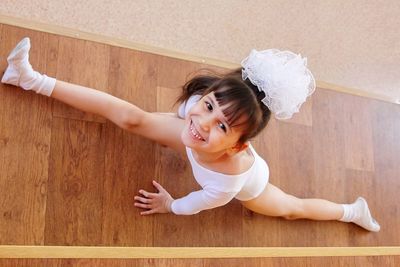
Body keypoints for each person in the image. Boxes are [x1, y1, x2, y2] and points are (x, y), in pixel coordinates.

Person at [1, 37, 380, 232]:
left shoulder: (228, 180)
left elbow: (194, 203)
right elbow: (184, 117)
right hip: (198, 153)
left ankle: (350, 211)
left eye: (223, 127)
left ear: (238, 145)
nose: (203, 121)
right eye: (211, 107)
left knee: (291, 209)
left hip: (252, 187)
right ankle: (31, 79)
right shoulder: (196, 112)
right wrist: (195, 119)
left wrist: (170, 205)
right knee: (131, 118)